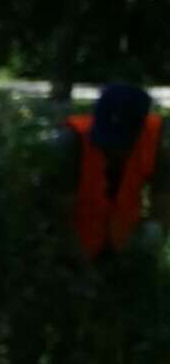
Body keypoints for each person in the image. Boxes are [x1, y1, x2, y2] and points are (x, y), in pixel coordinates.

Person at [64, 84, 164, 261]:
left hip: (124, 245)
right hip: (78, 248)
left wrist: (152, 231)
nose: (112, 149)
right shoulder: (73, 141)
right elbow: (61, 207)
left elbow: (162, 196)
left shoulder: (155, 140)